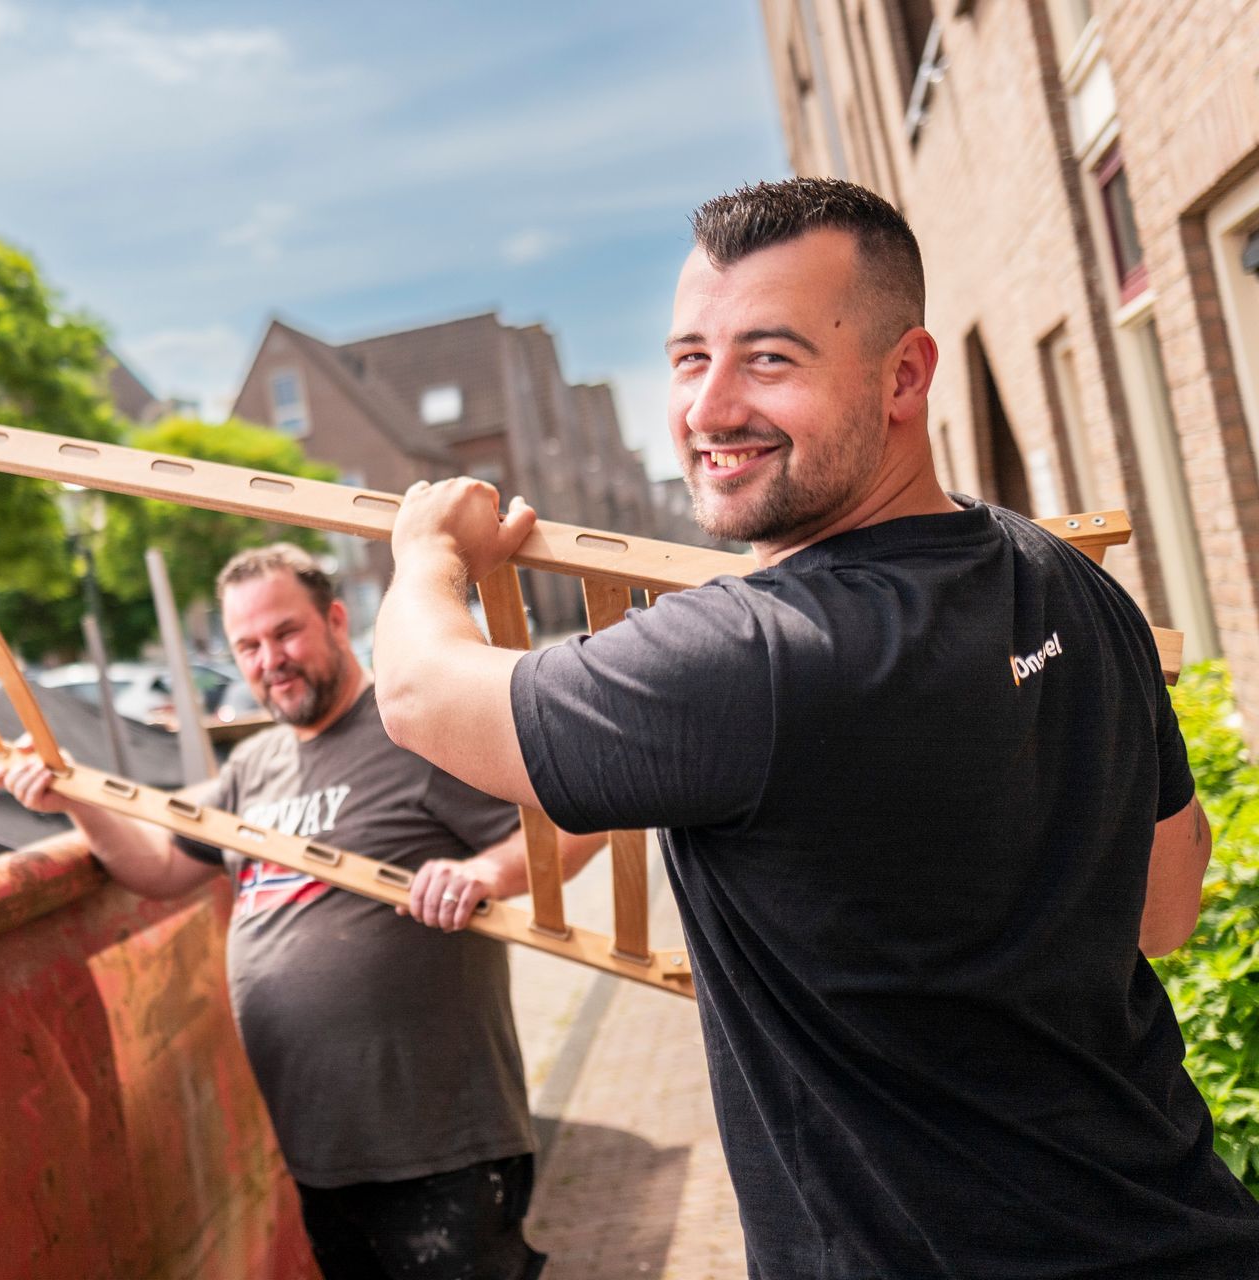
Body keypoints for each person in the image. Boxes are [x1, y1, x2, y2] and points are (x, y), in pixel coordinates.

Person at [371, 177, 1259, 1278]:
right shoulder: (1073, 585)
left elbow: (418, 693)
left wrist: (427, 552)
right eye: (691, 356)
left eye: (771, 357)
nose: (708, 406)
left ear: (905, 375)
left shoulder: (753, 658)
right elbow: (1167, 910)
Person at [0, 543, 603, 1280]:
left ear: (337, 620)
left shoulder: (413, 729)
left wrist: (486, 871)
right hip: (323, 1154)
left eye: (285, 633)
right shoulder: (252, 768)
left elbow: (582, 817)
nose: (268, 660)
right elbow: (156, 870)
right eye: (247, 645)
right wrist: (70, 801)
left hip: (441, 1144)